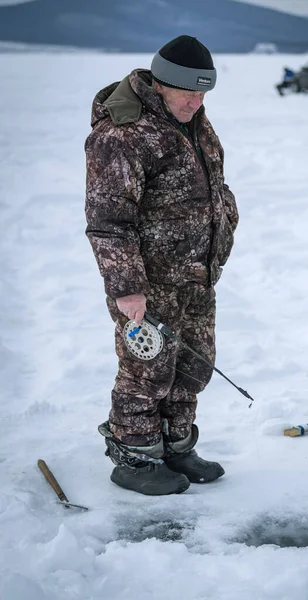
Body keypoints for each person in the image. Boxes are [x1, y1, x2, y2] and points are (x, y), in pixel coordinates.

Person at [85, 35, 239, 496]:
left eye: (203, 92)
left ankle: (175, 446)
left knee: (193, 366)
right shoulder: (122, 135)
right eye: (187, 92)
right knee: (146, 369)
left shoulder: (194, 121)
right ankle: (134, 454)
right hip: (148, 284)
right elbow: (108, 222)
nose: (196, 101)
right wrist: (127, 287)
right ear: (160, 83)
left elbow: (212, 188)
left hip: (195, 274)